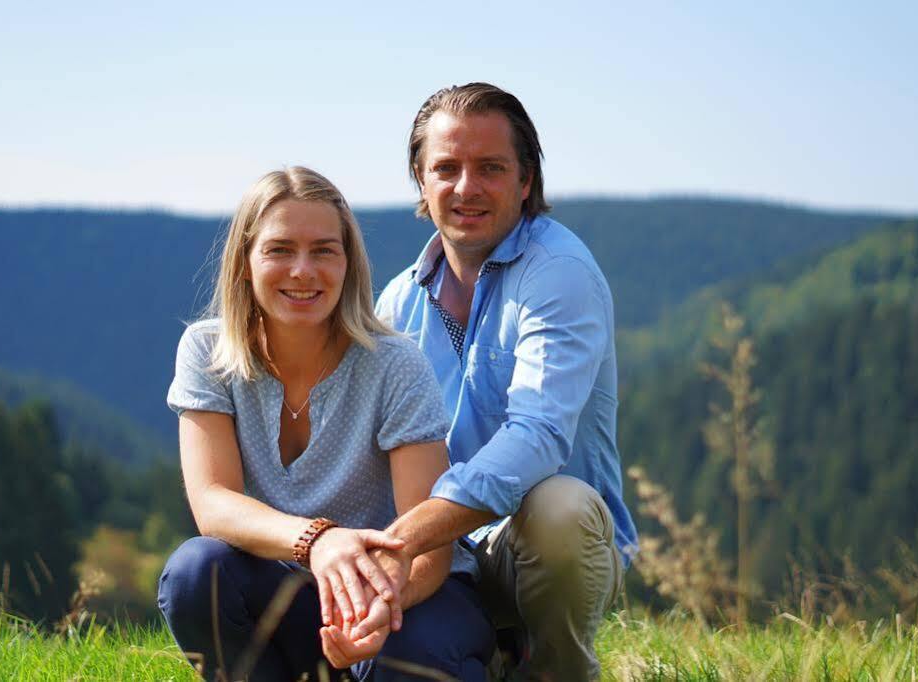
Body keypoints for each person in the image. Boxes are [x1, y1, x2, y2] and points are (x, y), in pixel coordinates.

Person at [157, 167, 493, 681]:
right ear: (245, 263)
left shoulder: (394, 363)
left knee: (412, 662)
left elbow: (429, 544)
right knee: (195, 574)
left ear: (348, 264)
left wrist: (381, 602)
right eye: (280, 250)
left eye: (323, 250)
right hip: (296, 592)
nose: (303, 271)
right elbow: (213, 504)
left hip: (410, 593)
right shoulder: (207, 352)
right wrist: (318, 541)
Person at [373, 83, 639, 680]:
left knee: (558, 508)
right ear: (421, 180)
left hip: (537, 550)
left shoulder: (559, 273)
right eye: (446, 168)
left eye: (490, 168)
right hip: (440, 553)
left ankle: (555, 671)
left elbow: (540, 436)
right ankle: (486, 654)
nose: (466, 187)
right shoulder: (395, 302)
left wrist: (407, 536)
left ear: (526, 181)